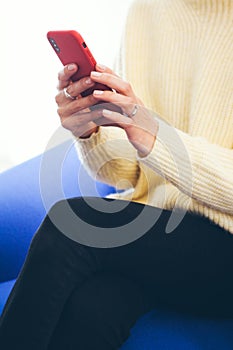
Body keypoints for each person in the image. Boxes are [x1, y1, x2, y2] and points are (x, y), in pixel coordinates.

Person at [0, 0, 232, 349]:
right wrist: (91, 131)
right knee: (91, 308)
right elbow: (126, 173)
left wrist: (157, 138)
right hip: (160, 231)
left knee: (71, 222)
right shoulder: (148, 10)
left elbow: (154, 140)